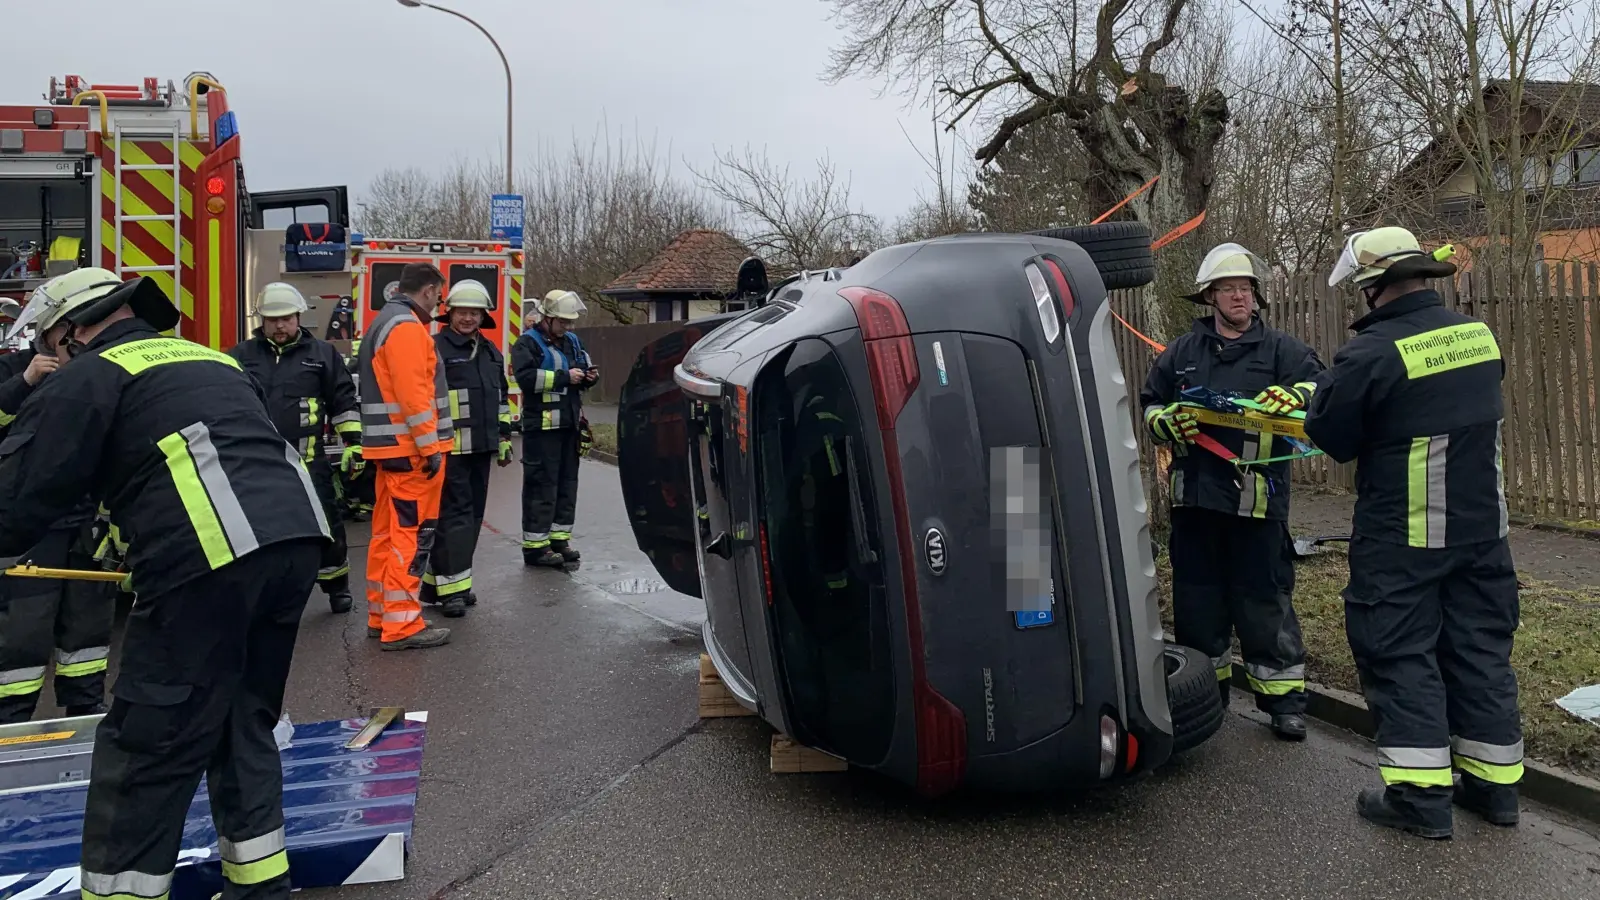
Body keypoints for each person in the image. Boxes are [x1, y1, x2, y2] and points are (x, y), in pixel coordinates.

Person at [0, 267, 329, 900]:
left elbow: (21, 499)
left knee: (147, 741)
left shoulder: (90, 375)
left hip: (215, 552)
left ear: (72, 330)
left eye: (50, 342)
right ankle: (260, 885)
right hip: (294, 539)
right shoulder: (211, 360)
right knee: (240, 718)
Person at [1262, 227, 1519, 839]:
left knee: (1398, 650)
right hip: (1485, 532)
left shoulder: (1371, 353)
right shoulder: (1477, 336)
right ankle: (1494, 790)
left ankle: (1419, 798)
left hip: (1405, 536)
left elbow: (1333, 436)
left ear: (1371, 286)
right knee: (1479, 647)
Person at [1139, 242, 1323, 741]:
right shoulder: (1181, 353)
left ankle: (1284, 702)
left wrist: (1295, 397)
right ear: (1210, 298)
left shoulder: (1283, 351)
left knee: (1264, 601)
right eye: (1228, 289)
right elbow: (1150, 403)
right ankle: (1206, 697)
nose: (1239, 297)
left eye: (1245, 288)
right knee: (1198, 605)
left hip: (1256, 503)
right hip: (1195, 502)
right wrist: (1164, 423)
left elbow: (1322, 390)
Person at [229, 283, 362, 614]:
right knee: (263, 530)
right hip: (258, 463)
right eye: (271, 319)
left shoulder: (322, 354)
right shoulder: (240, 356)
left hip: (308, 461)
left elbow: (343, 399)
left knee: (326, 523)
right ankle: (268, 591)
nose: (278, 326)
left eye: (285, 318)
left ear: (299, 316)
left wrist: (354, 443)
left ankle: (336, 586)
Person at [0, 343, 114, 722]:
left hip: (87, 518)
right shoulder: (13, 368)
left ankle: (85, 706)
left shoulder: (94, 369)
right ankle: (11, 715)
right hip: (32, 526)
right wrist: (25, 381)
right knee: (24, 629)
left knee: (89, 625)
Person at [357, 262, 454, 649]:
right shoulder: (408, 329)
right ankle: (403, 625)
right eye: (439, 295)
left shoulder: (383, 322)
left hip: (390, 449)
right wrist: (430, 448)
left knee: (387, 535)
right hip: (412, 453)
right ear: (429, 290)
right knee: (412, 537)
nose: (439, 303)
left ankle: (382, 615)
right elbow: (416, 395)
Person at [423, 280, 514, 617]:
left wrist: (504, 438)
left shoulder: (490, 352)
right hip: (448, 450)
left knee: (472, 516)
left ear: (483, 316)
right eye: (462, 312)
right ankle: (453, 592)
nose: (468, 318)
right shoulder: (433, 348)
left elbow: (501, 401)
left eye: (474, 312)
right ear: (450, 313)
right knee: (453, 518)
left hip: (481, 449)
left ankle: (441, 585)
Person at [512, 289, 596, 567]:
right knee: (541, 486)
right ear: (546, 318)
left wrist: (588, 377)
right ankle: (536, 547)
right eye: (562, 322)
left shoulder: (571, 341)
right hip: (541, 429)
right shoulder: (527, 343)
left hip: (568, 426)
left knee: (566, 485)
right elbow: (525, 378)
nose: (567, 327)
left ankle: (559, 539)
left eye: (569, 322)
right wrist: (564, 377)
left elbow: (581, 368)